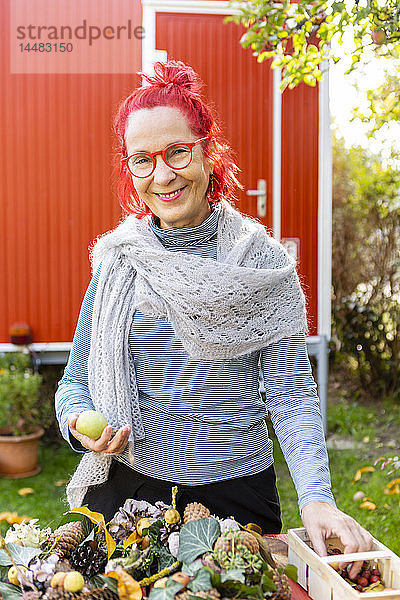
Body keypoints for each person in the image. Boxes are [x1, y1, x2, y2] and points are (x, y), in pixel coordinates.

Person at [55, 60, 372, 575]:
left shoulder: (260, 264)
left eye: (177, 151)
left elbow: (291, 392)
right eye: (142, 160)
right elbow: (73, 384)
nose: (161, 175)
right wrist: (76, 422)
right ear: (128, 169)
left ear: (206, 149)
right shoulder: (117, 261)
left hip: (236, 502)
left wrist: (316, 497)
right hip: (132, 499)